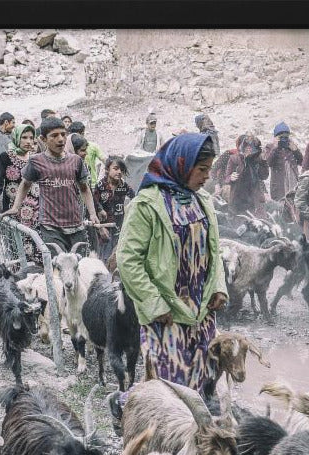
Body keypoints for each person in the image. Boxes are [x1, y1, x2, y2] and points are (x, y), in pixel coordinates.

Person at [111, 133, 228, 420]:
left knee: (200, 376)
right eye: (202, 170)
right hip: (166, 310)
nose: (207, 177)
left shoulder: (203, 201)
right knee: (168, 383)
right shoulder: (147, 204)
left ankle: (190, 436)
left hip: (201, 308)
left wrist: (218, 286)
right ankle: (125, 405)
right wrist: (154, 302)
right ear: (181, 165)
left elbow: (213, 250)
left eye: (210, 170)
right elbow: (128, 259)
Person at [2, 116, 102, 256]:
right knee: (57, 264)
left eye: (63, 134)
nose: (60, 139)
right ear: (43, 139)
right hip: (51, 227)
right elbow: (25, 184)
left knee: (79, 263)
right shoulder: (36, 161)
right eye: (54, 135)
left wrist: (92, 213)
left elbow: (84, 188)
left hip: (76, 225)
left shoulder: (76, 161)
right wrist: (15, 207)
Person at [0, 124, 42, 263]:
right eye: (24, 137)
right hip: (13, 209)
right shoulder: (6, 157)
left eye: (31, 138)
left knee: (36, 243)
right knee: (17, 244)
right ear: (16, 138)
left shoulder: (37, 158)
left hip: (36, 210)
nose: (28, 141)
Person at [93, 155, 135, 262]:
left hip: (119, 227)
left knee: (118, 255)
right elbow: (93, 205)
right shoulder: (100, 186)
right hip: (104, 228)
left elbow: (135, 199)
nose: (119, 172)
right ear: (107, 170)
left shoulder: (124, 186)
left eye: (121, 170)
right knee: (104, 256)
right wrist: (100, 228)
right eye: (116, 169)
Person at [262, 121, 303, 223]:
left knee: (295, 209)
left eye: (286, 136)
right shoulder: (270, 147)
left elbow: (302, 162)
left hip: (293, 184)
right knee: (280, 210)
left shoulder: (291, 146)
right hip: (279, 186)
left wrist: (295, 150)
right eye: (281, 137)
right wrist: (275, 148)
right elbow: (268, 163)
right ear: (276, 137)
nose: (284, 139)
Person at [223, 134, 270, 218]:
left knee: (258, 221)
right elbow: (226, 178)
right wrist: (231, 177)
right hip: (238, 197)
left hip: (254, 198)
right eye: (247, 147)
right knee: (238, 220)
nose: (249, 150)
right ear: (243, 147)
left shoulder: (258, 161)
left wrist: (263, 161)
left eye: (251, 148)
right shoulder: (234, 159)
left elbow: (264, 176)